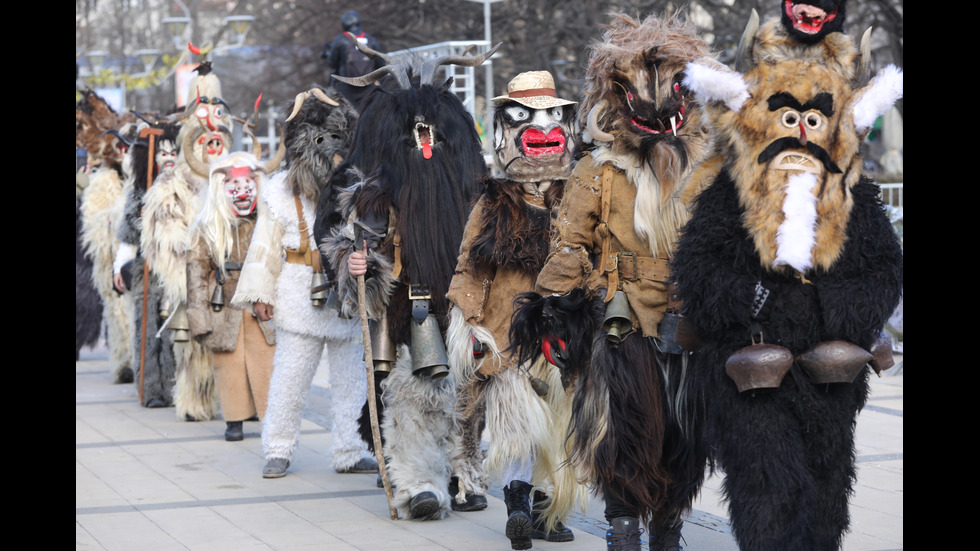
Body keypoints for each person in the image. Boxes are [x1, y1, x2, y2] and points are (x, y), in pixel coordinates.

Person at [671, 7, 903, 550]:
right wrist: (748, 298)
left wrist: (834, 309)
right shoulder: (732, 192)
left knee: (826, 487)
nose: (799, 130)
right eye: (786, 117)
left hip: (831, 370)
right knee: (768, 486)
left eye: (814, 119)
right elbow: (697, 266)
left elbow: (886, 269)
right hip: (752, 368)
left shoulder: (853, 196)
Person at [508, 12, 714, 551]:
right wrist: (551, 309)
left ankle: (669, 525)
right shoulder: (597, 170)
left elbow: (731, 245)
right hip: (617, 319)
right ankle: (622, 525)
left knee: (683, 432)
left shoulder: (712, 169)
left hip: (688, 320)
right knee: (620, 428)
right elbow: (570, 244)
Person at [318, 43, 497, 520]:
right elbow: (352, 242)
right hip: (409, 303)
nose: (425, 137)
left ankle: (466, 475)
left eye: (433, 127)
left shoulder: (476, 186)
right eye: (415, 128)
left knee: (468, 389)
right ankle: (421, 482)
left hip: (465, 302)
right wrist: (356, 265)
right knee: (415, 389)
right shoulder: (374, 190)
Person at [446, 70, 588, 550]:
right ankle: (518, 503)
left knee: (562, 423)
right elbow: (469, 266)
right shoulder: (493, 201)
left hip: (564, 324)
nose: (543, 129)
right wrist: (467, 324)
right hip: (508, 329)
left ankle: (549, 509)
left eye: (553, 117)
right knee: (514, 420)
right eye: (530, 118)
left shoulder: (577, 195)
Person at [231, 85, 378, 476]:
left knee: (352, 382)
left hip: (345, 293)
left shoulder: (356, 184)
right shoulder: (279, 190)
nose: (327, 147)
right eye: (317, 138)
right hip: (297, 293)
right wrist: (261, 293)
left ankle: (350, 450)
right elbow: (265, 245)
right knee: (290, 380)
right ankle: (278, 448)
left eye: (334, 137)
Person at [142, 46, 232, 422]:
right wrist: (184, 263)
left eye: (218, 143)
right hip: (191, 275)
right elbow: (162, 231)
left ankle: (236, 401)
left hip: (229, 277)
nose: (213, 148)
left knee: (231, 344)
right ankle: (194, 401)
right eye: (206, 143)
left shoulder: (234, 178)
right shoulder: (173, 182)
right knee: (193, 345)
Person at [186, 147, 282, 441]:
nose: (242, 191)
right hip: (223, 305)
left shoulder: (269, 223)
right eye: (234, 186)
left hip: (260, 304)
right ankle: (234, 419)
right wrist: (198, 316)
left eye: (247, 185)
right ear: (220, 188)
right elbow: (196, 274)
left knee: (267, 362)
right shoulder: (206, 228)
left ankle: (272, 418)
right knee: (228, 365)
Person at [114, 118, 181, 407]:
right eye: (162, 153)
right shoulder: (140, 189)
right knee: (148, 324)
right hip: (147, 268)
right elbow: (127, 231)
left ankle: (175, 385)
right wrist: (142, 219)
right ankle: (151, 388)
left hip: (177, 267)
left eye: (172, 152)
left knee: (174, 327)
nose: (167, 158)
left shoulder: (185, 187)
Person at [77, 90, 137, 384]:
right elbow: (95, 223)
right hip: (110, 259)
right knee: (117, 312)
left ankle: (139, 361)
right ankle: (124, 362)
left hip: (136, 257)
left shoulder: (139, 179)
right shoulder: (103, 181)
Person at [325, 10, 384, 109]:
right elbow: (380, 64)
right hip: (369, 88)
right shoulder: (371, 40)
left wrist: (327, 55)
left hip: (347, 88)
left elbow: (332, 63)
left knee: (349, 116)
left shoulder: (340, 40)